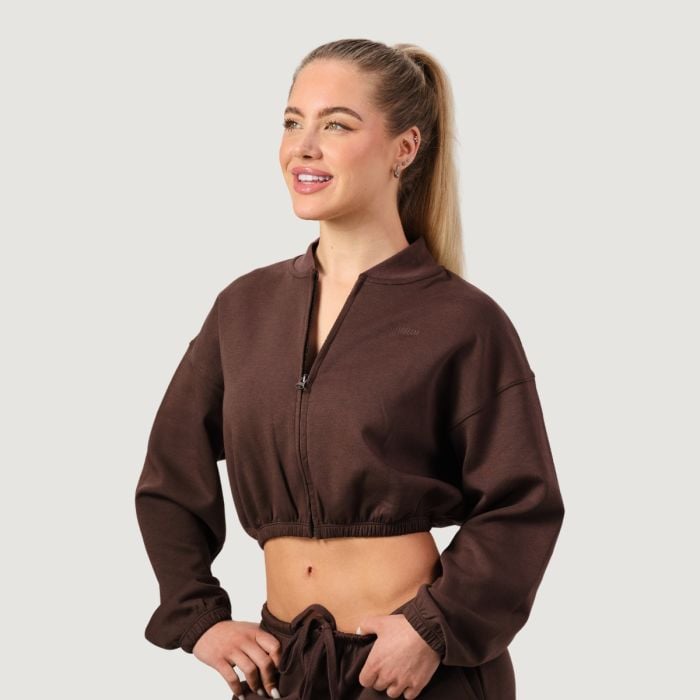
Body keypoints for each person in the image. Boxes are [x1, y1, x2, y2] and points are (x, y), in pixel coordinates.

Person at [135, 38, 565, 700]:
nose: (303, 147)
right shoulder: (243, 309)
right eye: (292, 122)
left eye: (336, 125)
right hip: (284, 668)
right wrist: (198, 619)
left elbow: (522, 502)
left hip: (412, 672)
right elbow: (170, 473)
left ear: (405, 148)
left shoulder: (464, 320)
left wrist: (432, 628)